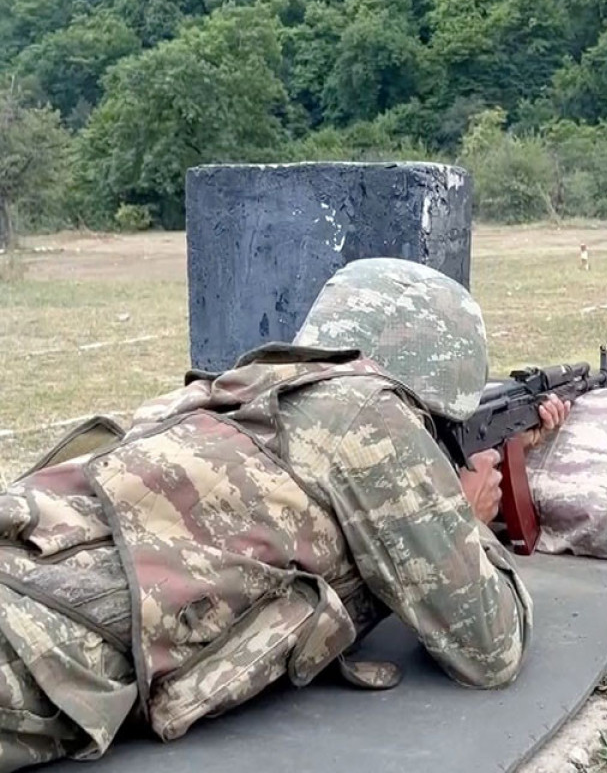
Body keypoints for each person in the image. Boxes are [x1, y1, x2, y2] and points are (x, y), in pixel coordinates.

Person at [0, 258, 568, 771]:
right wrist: (465, 516)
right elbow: (490, 649)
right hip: (48, 649)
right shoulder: (369, 414)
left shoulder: (227, 390)